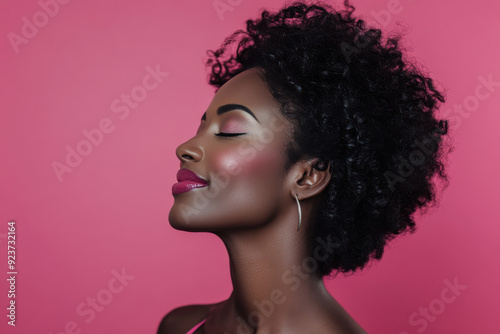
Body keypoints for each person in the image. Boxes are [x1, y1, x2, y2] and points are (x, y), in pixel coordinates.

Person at [158, 0, 450, 333]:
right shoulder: (181, 326)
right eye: (202, 127)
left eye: (230, 131)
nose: (186, 148)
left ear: (308, 176)